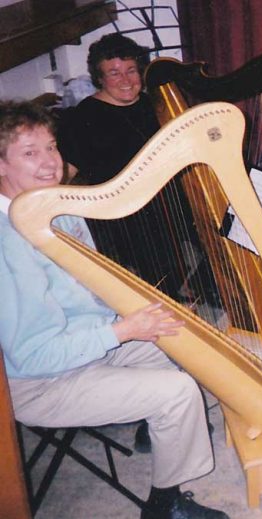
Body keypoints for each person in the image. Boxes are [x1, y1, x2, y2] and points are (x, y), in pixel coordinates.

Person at [0, 101, 228, 519]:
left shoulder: (55, 208)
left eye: (51, 147)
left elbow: (92, 289)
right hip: (40, 381)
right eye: (30, 152)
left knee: (186, 339)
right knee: (177, 392)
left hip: (88, 340)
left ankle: (154, 428)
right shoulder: (5, 245)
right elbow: (32, 356)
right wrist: (123, 332)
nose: (50, 162)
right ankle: (164, 505)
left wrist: (137, 310)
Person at [58, 33, 215, 306]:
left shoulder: (152, 104)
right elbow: (66, 171)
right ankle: (169, 293)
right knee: (159, 250)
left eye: (131, 70)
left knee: (217, 221)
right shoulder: (84, 117)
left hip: (166, 195)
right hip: (119, 210)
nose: (126, 80)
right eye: (114, 73)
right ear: (100, 79)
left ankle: (198, 284)